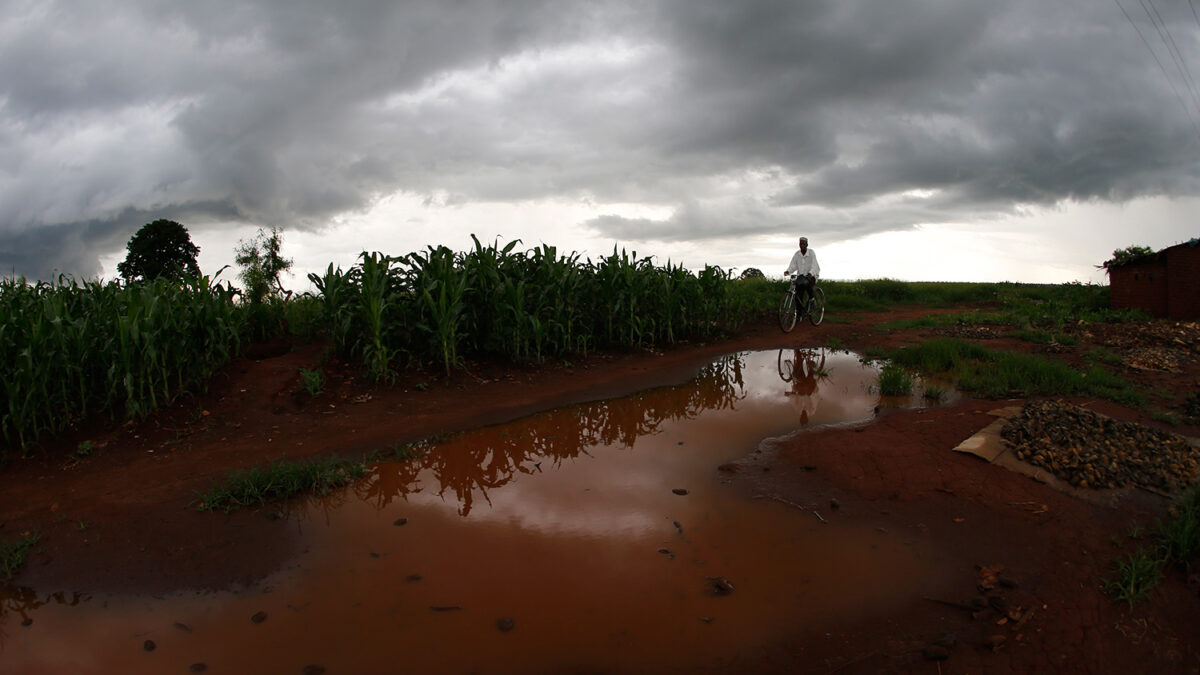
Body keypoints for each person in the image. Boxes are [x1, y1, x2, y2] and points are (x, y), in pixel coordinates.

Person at [784, 236, 820, 310]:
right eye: (800, 244)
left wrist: (810, 273)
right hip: (801, 277)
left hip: (812, 275)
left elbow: (814, 265)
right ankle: (799, 314)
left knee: (808, 283)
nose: (802, 245)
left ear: (807, 245)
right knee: (798, 295)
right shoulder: (797, 254)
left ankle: (812, 300)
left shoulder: (811, 253)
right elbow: (793, 265)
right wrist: (788, 271)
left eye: (803, 244)